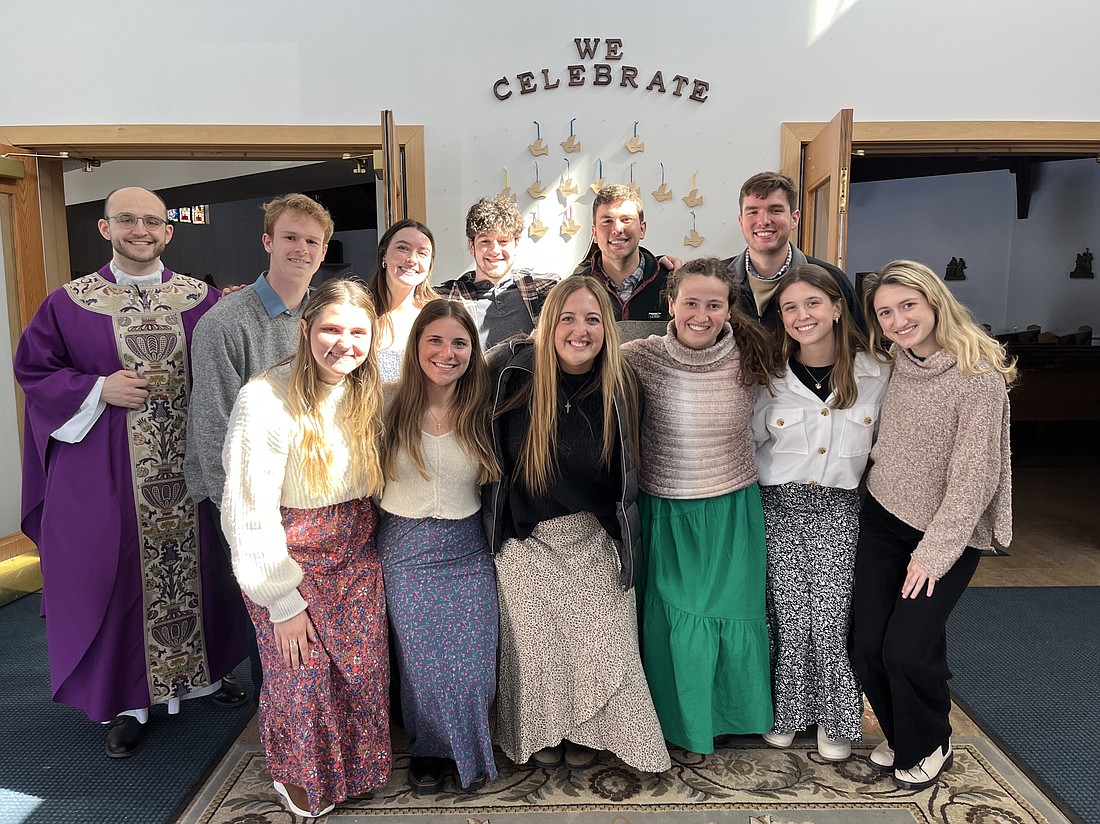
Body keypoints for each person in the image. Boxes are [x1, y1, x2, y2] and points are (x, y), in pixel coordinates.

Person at [15, 186, 247, 758]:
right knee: (116, 576)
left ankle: (201, 678)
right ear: (106, 228)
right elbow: (35, 372)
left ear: (169, 232)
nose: (140, 230)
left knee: (204, 569)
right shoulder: (69, 302)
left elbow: (237, 364)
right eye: (127, 220)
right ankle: (128, 702)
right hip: (109, 473)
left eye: (152, 221)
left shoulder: (204, 300)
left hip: (190, 470)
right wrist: (98, 387)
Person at [484, 277, 670, 773]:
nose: (579, 330)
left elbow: (632, 473)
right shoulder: (511, 373)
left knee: (604, 639)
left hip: (593, 534)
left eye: (592, 319)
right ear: (549, 324)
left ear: (607, 328)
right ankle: (544, 727)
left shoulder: (624, 385)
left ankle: (590, 727)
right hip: (527, 538)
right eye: (567, 318)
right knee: (539, 648)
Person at [221, 278, 391, 818]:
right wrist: (282, 602)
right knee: (303, 677)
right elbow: (247, 509)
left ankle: (355, 769)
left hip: (358, 555)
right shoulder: (263, 399)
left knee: (362, 672)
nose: (345, 342)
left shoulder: (372, 392)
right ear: (305, 330)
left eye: (358, 332)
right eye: (331, 329)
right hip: (288, 560)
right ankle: (300, 777)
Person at [850, 260, 1015, 790]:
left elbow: (975, 478)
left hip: (945, 534)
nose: (899, 321)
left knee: (908, 647)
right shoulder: (896, 361)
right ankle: (902, 732)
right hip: (882, 518)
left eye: (907, 307)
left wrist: (933, 553)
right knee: (865, 645)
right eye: (886, 313)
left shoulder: (977, 376)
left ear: (934, 302)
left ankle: (931, 740)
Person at [622, 257, 780, 754]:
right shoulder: (640, 356)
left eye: (714, 305)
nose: (701, 314)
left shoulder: (753, 355)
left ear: (729, 310)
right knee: (677, 617)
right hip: (667, 510)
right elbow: (572, 354)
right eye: (690, 302)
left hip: (733, 508)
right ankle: (682, 724)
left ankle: (733, 715)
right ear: (670, 303)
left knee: (734, 614)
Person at [185, 193, 335, 694]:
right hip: (251, 500)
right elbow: (213, 429)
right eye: (290, 237)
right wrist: (248, 520)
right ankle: (275, 728)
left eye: (311, 241)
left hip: (316, 498)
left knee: (316, 620)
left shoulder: (327, 320)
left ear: (323, 249)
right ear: (268, 241)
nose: (301, 249)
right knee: (272, 622)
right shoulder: (224, 324)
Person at [752, 264, 890, 761]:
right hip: (780, 506)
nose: (801, 315)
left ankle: (836, 717)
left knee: (831, 615)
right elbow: (750, 443)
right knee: (787, 615)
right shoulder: (767, 377)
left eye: (813, 303)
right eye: (790, 307)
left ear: (836, 307)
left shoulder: (879, 372)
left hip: (843, 506)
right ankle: (787, 713)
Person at [379, 299, 501, 793]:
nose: (447, 353)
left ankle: (469, 747)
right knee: (423, 665)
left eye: (459, 342)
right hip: (404, 550)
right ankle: (428, 750)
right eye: (435, 340)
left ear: (473, 350)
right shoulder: (385, 402)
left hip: (467, 549)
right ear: (416, 346)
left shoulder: (486, 405)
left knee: (473, 663)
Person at [722, 172, 865, 333]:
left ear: (794, 219)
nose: (763, 221)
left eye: (775, 210)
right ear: (741, 222)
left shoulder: (832, 280)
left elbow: (858, 351)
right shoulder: (718, 280)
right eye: (753, 212)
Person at [438, 194, 558, 347]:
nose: (495, 250)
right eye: (485, 241)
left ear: (516, 244)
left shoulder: (546, 290)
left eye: (503, 241)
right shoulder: (447, 298)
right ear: (471, 245)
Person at [573, 184, 673, 322]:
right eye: (607, 221)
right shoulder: (575, 289)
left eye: (626, 219)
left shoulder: (671, 283)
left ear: (642, 229)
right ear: (594, 234)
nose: (617, 229)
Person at [367, 219, 438, 381]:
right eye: (403, 248)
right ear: (384, 255)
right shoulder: (359, 312)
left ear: (429, 266)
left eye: (422, 253)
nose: (412, 259)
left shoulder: (437, 317)